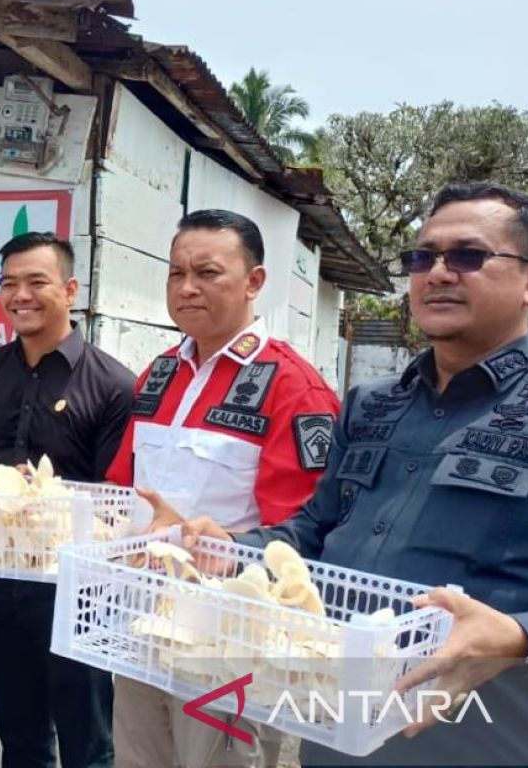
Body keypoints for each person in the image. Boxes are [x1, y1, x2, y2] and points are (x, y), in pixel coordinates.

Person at [170, 183, 528, 766]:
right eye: (422, 257)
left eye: (466, 256)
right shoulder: (370, 404)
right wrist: (231, 549)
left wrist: (522, 636)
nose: (437, 273)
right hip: (337, 728)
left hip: (486, 740)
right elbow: (311, 532)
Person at [105, 209, 340, 768]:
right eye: (175, 272)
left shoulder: (292, 387)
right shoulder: (161, 372)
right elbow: (121, 487)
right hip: (142, 622)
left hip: (229, 648)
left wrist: (219, 546)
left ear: (254, 282)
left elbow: (304, 537)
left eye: (207, 272)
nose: (186, 288)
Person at [0, 232, 135, 767]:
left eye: (36, 282)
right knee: (18, 735)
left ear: (70, 289)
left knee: (87, 743)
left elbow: (114, 503)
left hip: (78, 596)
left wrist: (47, 497)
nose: (20, 295)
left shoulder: (113, 385)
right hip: (2, 587)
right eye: (9, 283)